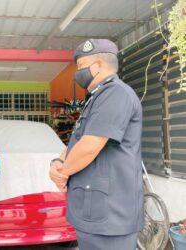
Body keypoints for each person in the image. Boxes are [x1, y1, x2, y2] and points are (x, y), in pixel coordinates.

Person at [49, 39, 144, 250]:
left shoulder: (116, 93)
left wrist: (62, 172)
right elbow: (78, 141)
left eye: (81, 66)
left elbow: (90, 145)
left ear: (99, 64)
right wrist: (58, 161)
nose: (78, 72)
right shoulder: (97, 98)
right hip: (95, 211)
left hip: (110, 214)